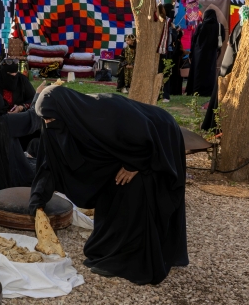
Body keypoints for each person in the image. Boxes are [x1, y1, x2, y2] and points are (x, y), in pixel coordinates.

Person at [29, 86, 188, 285]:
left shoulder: (103, 110)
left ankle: (132, 258)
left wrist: (134, 164)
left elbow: (142, 133)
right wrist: (38, 200)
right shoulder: (55, 121)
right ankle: (109, 249)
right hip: (127, 147)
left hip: (158, 135)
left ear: (65, 111)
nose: (47, 123)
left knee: (136, 192)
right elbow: (48, 164)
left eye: (50, 118)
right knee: (110, 191)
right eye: (44, 119)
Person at [186, 8, 225, 96]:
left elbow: (194, 40)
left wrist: (191, 54)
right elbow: (222, 38)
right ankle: (208, 91)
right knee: (210, 72)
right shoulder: (219, 26)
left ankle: (196, 91)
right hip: (211, 53)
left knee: (198, 72)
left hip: (199, 53)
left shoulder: (201, 26)